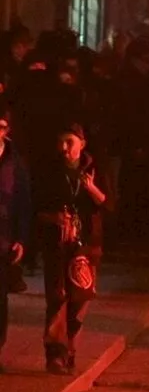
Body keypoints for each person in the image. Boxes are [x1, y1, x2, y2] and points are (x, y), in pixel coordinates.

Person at [34, 124, 109, 374]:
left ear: (82, 144)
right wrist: (53, 218)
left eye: (70, 142)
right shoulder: (50, 172)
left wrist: (91, 189)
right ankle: (55, 353)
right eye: (61, 143)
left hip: (86, 245)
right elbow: (36, 208)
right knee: (57, 297)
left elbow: (109, 204)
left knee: (79, 298)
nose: (64, 148)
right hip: (58, 244)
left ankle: (71, 349)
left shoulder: (95, 169)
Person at [0, 109, 31, 373]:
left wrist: (21, 238)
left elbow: (23, 202)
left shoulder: (15, 163)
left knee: (0, 299)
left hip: (4, 240)